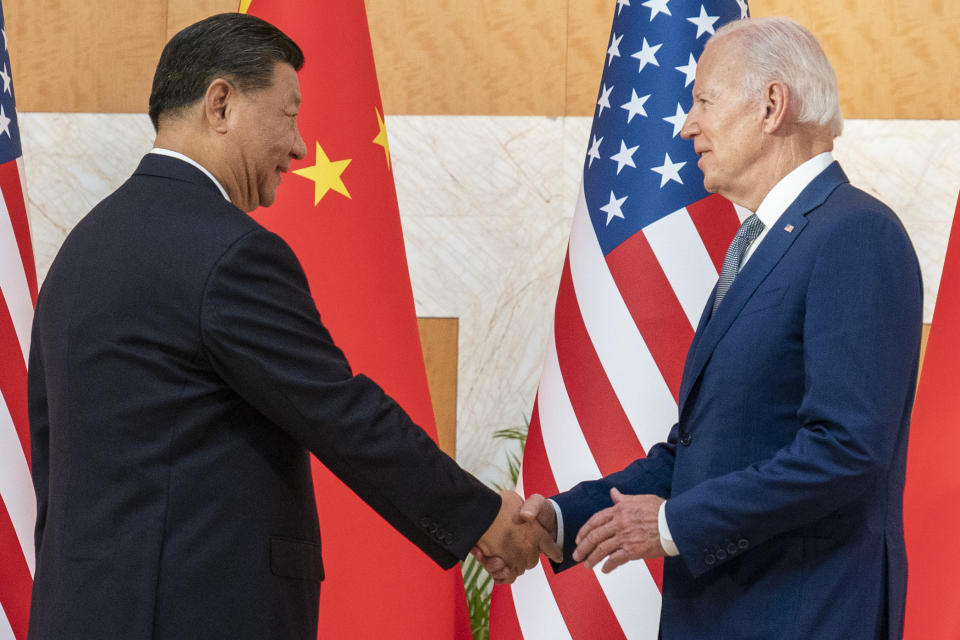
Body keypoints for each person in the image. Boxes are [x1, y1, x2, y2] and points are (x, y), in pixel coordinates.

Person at [27, 13, 557, 640]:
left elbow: (54, 452)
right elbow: (340, 410)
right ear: (220, 103)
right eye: (289, 113)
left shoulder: (80, 250)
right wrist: (480, 517)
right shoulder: (229, 253)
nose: (302, 146)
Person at [481, 16, 922, 640]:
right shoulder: (765, 243)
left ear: (772, 105)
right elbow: (698, 449)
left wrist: (671, 526)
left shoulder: (854, 233)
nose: (687, 123)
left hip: (803, 616)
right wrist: (558, 519)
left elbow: (845, 449)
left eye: (703, 100)